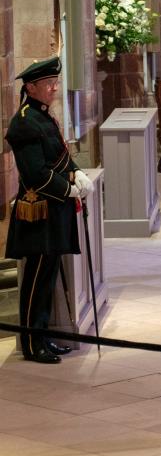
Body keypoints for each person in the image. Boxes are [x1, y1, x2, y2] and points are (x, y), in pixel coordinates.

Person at [5, 56, 90, 364]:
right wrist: (66, 188)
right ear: (31, 87)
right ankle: (31, 342)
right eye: (49, 84)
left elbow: (60, 155)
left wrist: (77, 172)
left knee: (48, 277)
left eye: (55, 83)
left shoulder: (43, 116)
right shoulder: (25, 122)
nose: (55, 88)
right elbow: (35, 174)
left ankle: (43, 337)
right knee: (36, 282)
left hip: (54, 212)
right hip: (39, 213)